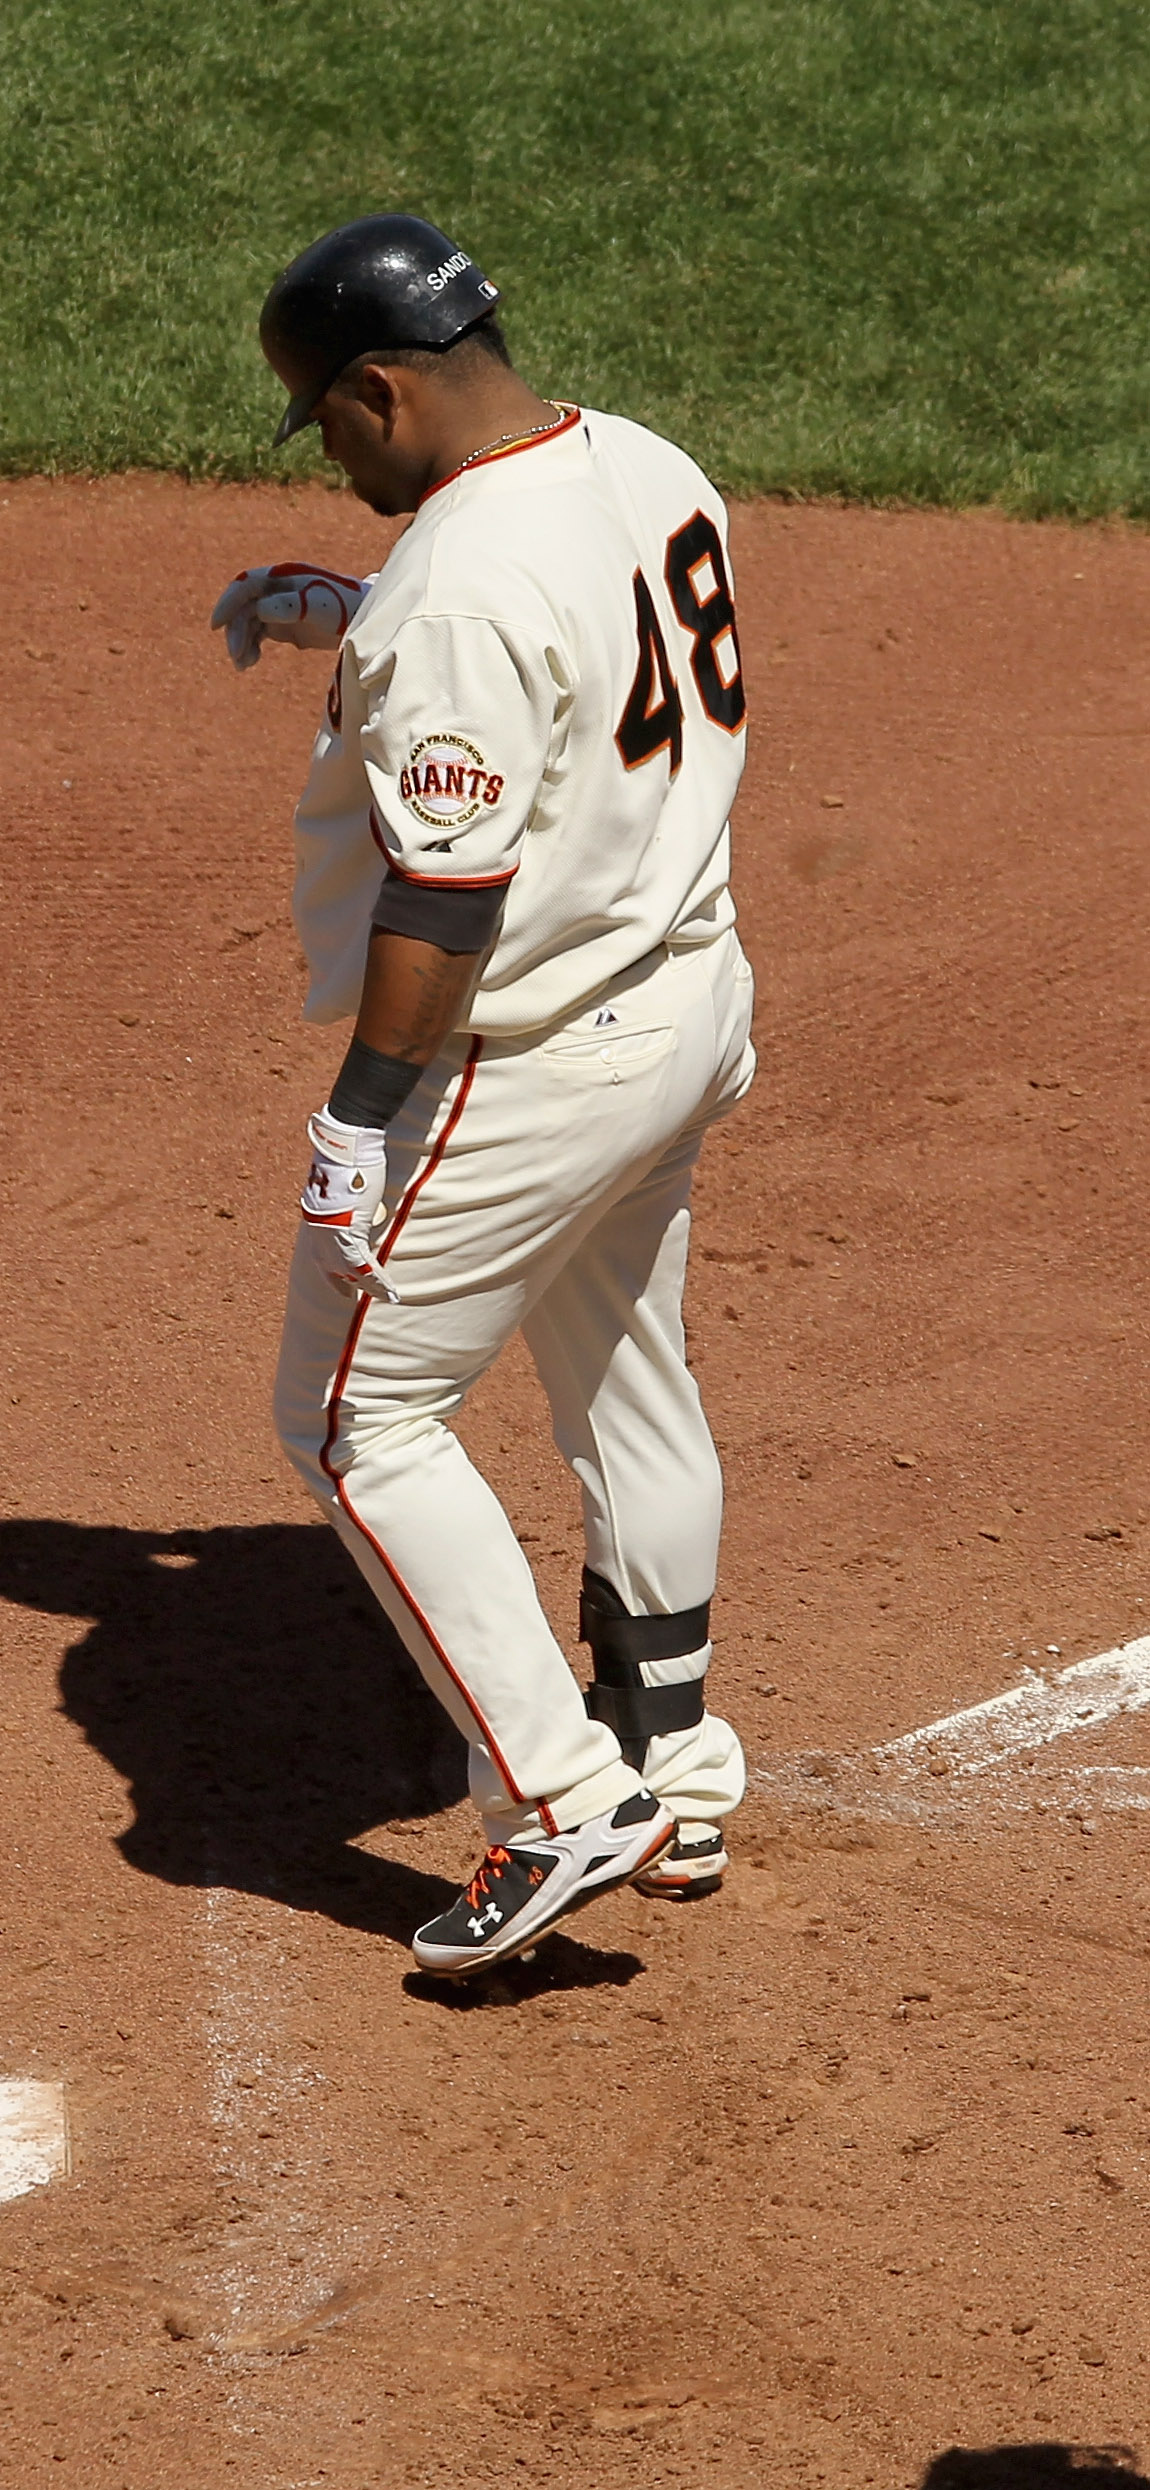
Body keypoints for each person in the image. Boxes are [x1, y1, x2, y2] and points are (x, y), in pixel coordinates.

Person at [210, 214, 758, 1978]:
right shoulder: (645, 463)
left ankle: (558, 1798)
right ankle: (671, 1760)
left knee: (348, 1419)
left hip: (523, 1067)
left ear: (378, 390)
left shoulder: (453, 588)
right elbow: (564, 653)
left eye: (327, 419)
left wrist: (362, 1115)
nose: (336, 452)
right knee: (623, 1362)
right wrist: (362, 617)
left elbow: (442, 903)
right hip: (684, 1004)